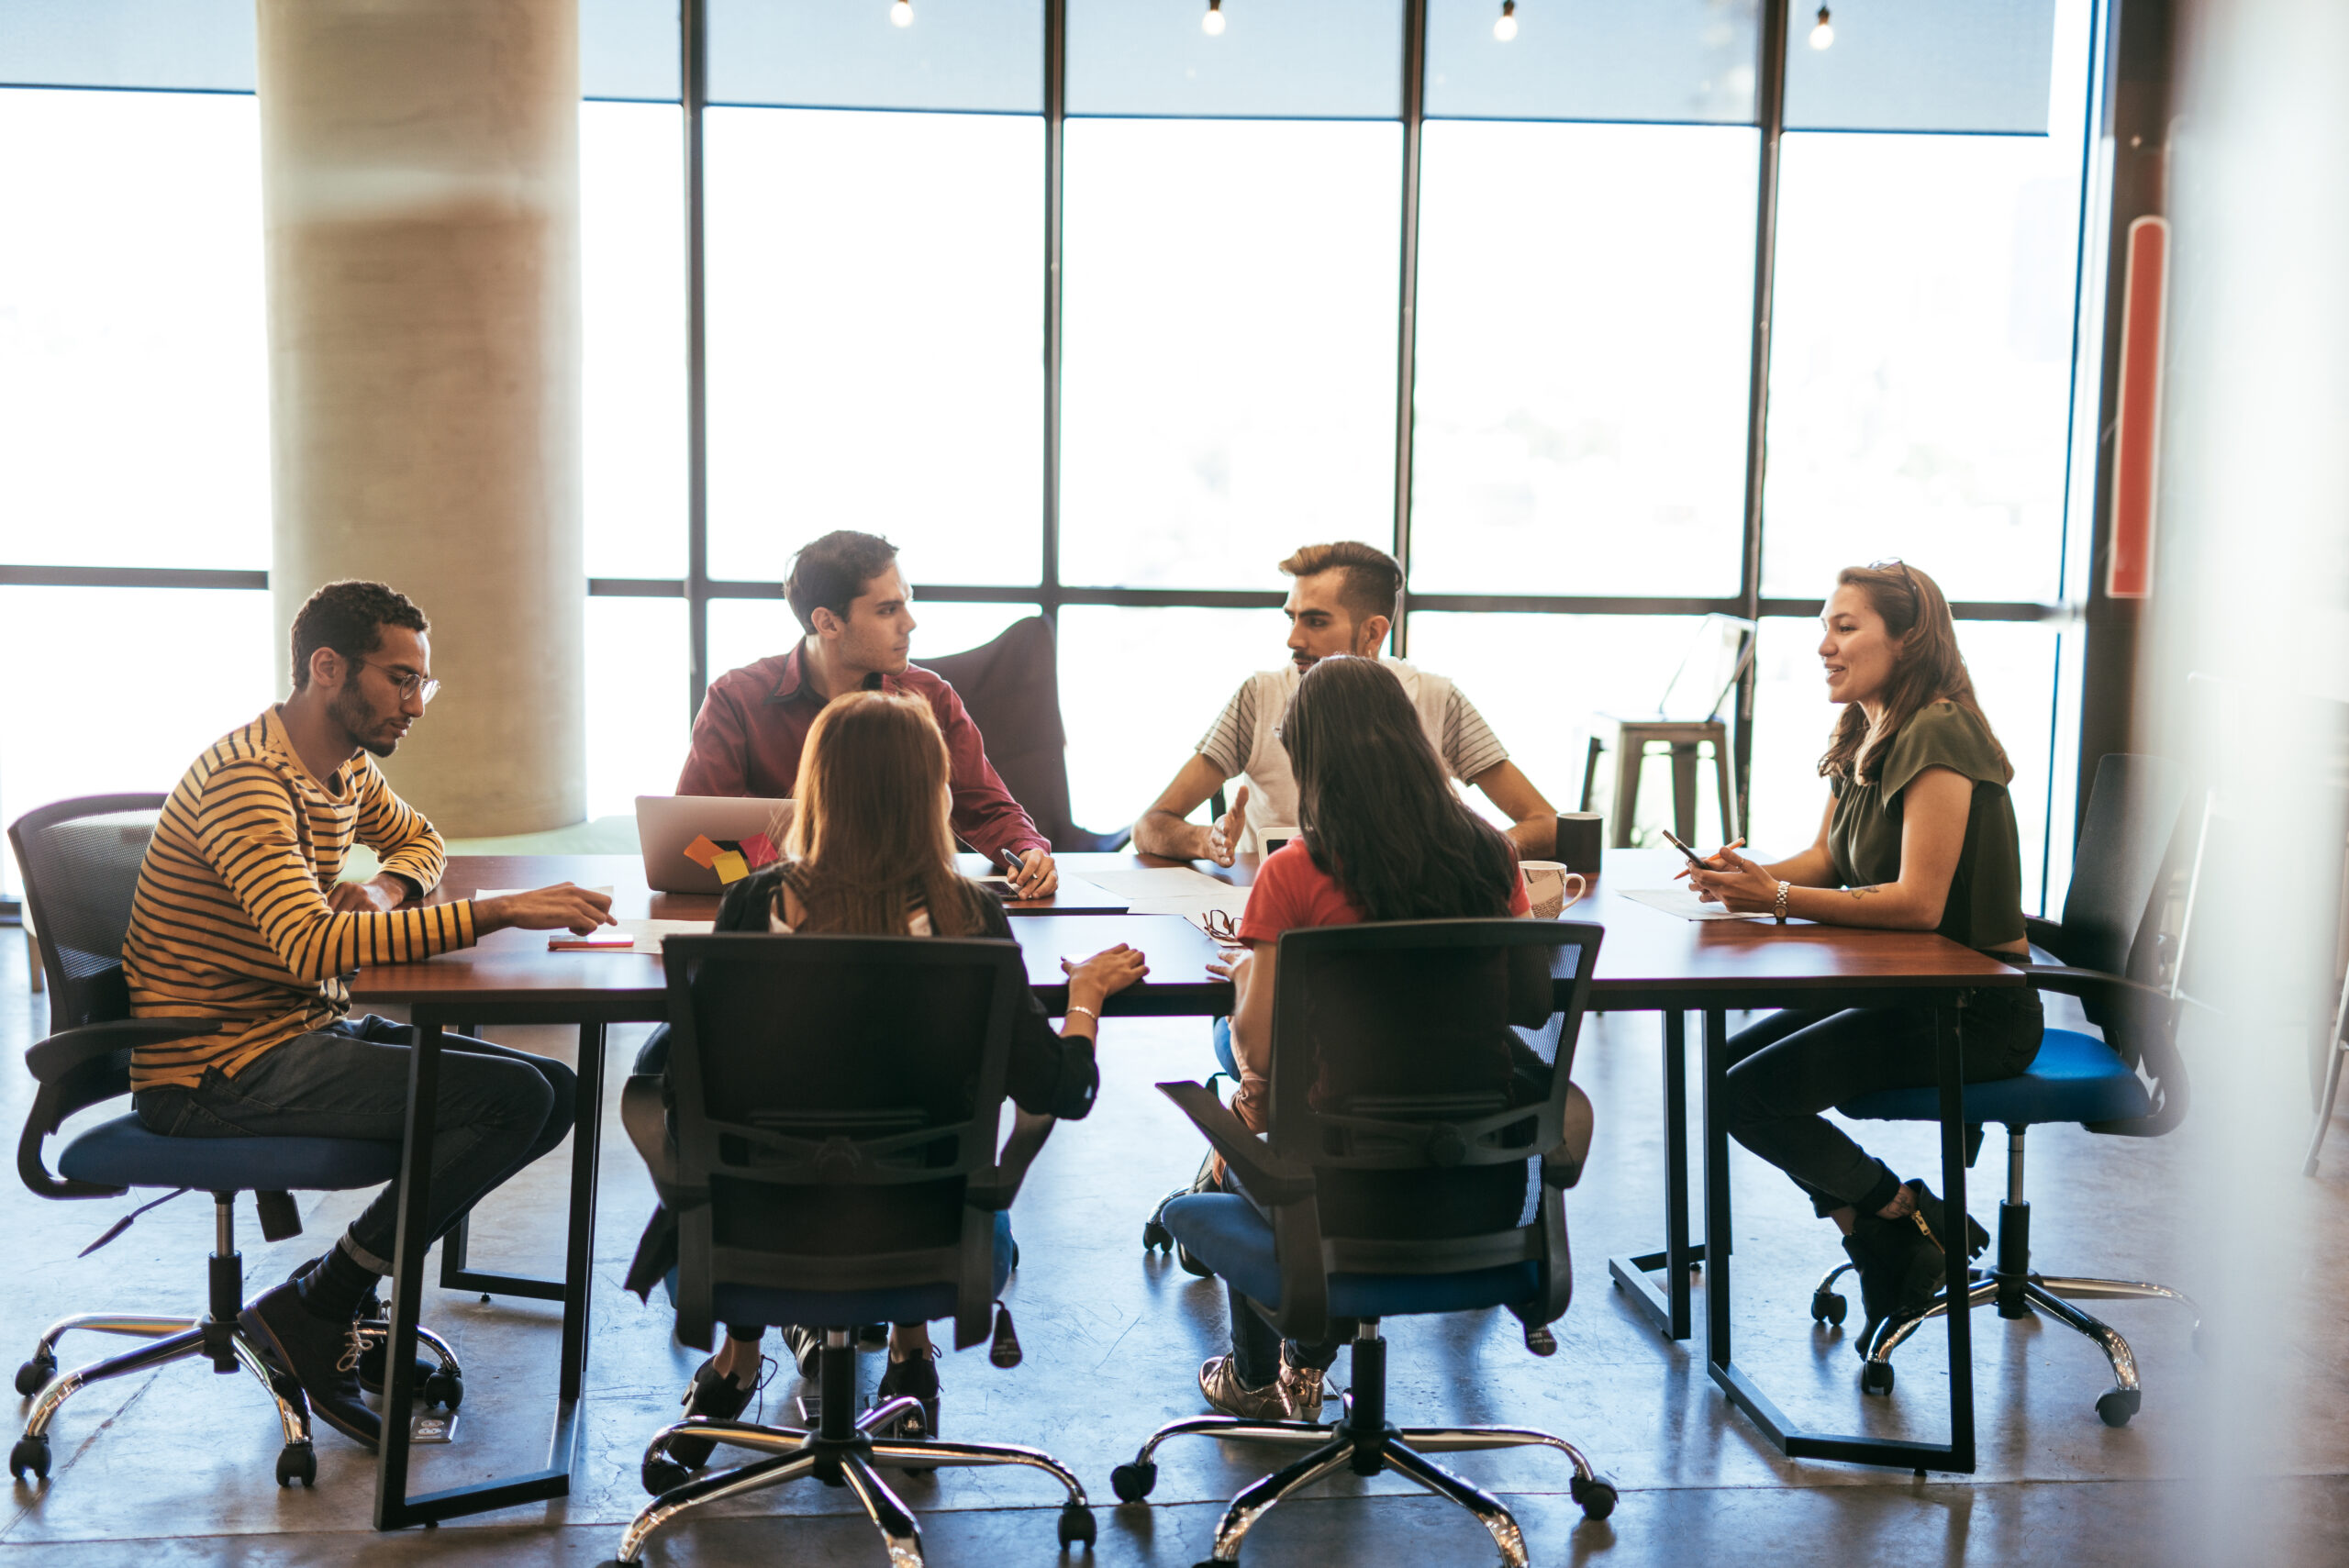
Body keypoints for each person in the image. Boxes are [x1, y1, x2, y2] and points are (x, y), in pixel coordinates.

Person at [122, 580, 617, 1448]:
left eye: (424, 681)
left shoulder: (339, 766)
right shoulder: (251, 781)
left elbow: (420, 839)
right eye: (400, 678)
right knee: (514, 1101)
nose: (416, 702)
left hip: (293, 1033)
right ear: (327, 668)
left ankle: (331, 1295)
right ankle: (322, 1303)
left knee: (553, 1088)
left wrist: (386, 887)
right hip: (214, 1068)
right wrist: (496, 910)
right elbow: (312, 947)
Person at [629, 690, 1147, 1463]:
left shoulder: (750, 905)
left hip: (749, 1239)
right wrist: (1083, 999)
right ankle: (911, 1353)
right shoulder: (970, 917)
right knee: (903, 1133)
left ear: (816, 789)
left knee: (738, 1129)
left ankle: (737, 1363)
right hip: (933, 1241)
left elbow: (677, 1085)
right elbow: (1062, 1092)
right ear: (931, 793)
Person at [1684, 562, 2043, 1340]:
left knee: (1749, 1094)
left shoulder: (1939, 728)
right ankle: (1887, 1229)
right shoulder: (1867, 726)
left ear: (1908, 639)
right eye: (1824, 626)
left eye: (1845, 627)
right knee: (1723, 1078)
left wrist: (1773, 902)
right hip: (1907, 996)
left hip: (1975, 1012)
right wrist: (1745, 877)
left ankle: (1902, 1217)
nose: (1824, 645)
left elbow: (1919, 902)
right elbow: (1827, 859)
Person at [1196, 656, 1549, 1422]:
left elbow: (1254, 1044)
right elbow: (1531, 996)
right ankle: (1301, 1361)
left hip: (1341, 1194)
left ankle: (1263, 1379)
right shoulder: (1493, 855)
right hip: (1482, 1191)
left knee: (1231, 1146)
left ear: (1312, 758)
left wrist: (1250, 974)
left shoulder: (1296, 870)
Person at [675, 528, 1060, 897]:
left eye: (906, 602)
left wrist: (1027, 851)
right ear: (827, 622)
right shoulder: (735, 699)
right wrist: (782, 860)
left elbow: (989, 809)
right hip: (774, 909)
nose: (910, 623)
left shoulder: (932, 696)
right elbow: (692, 842)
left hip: (902, 909)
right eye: (887, 610)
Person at [1133, 539, 1559, 869]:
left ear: (1373, 633)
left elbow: (1544, 822)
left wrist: (1477, 854)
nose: (1294, 639)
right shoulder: (1259, 696)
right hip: (1274, 914)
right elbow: (1151, 825)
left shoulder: (1436, 699)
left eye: (1316, 621)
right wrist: (1206, 840)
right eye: (1292, 618)